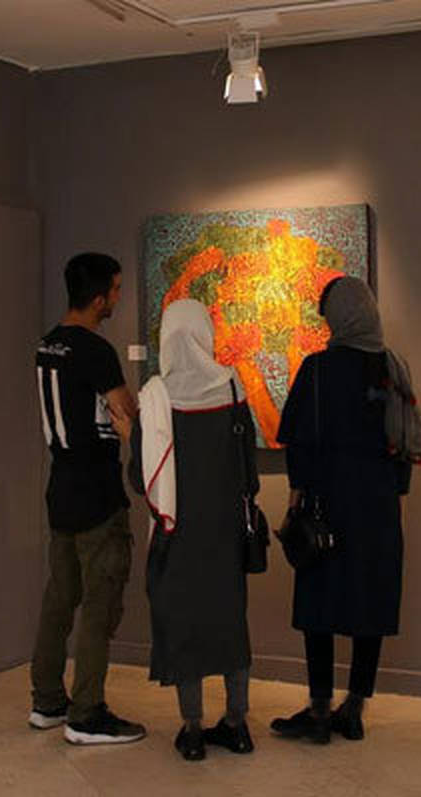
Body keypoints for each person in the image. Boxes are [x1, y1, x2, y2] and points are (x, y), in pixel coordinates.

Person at [271, 276, 415, 744]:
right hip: (377, 508)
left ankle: (318, 709)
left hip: (325, 505)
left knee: (319, 604)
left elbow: (297, 443)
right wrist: (392, 495)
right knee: (369, 604)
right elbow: (406, 442)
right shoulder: (393, 368)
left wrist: (295, 499)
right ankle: (354, 708)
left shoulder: (317, 369)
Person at [114, 299, 258, 762]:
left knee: (185, 626)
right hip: (226, 533)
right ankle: (237, 725)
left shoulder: (155, 397)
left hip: (177, 536)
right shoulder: (232, 387)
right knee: (231, 624)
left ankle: (192, 731)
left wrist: (129, 436)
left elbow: (142, 481)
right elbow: (249, 473)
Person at [29, 252, 145, 746]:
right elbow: (125, 411)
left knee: (60, 597)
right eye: (115, 289)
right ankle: (87, 712)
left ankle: (47, 700)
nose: (118, 297)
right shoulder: (96, 350)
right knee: (101, 603)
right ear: (99, 299)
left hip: (61, 487)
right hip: (96, 491)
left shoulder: (48, 344)